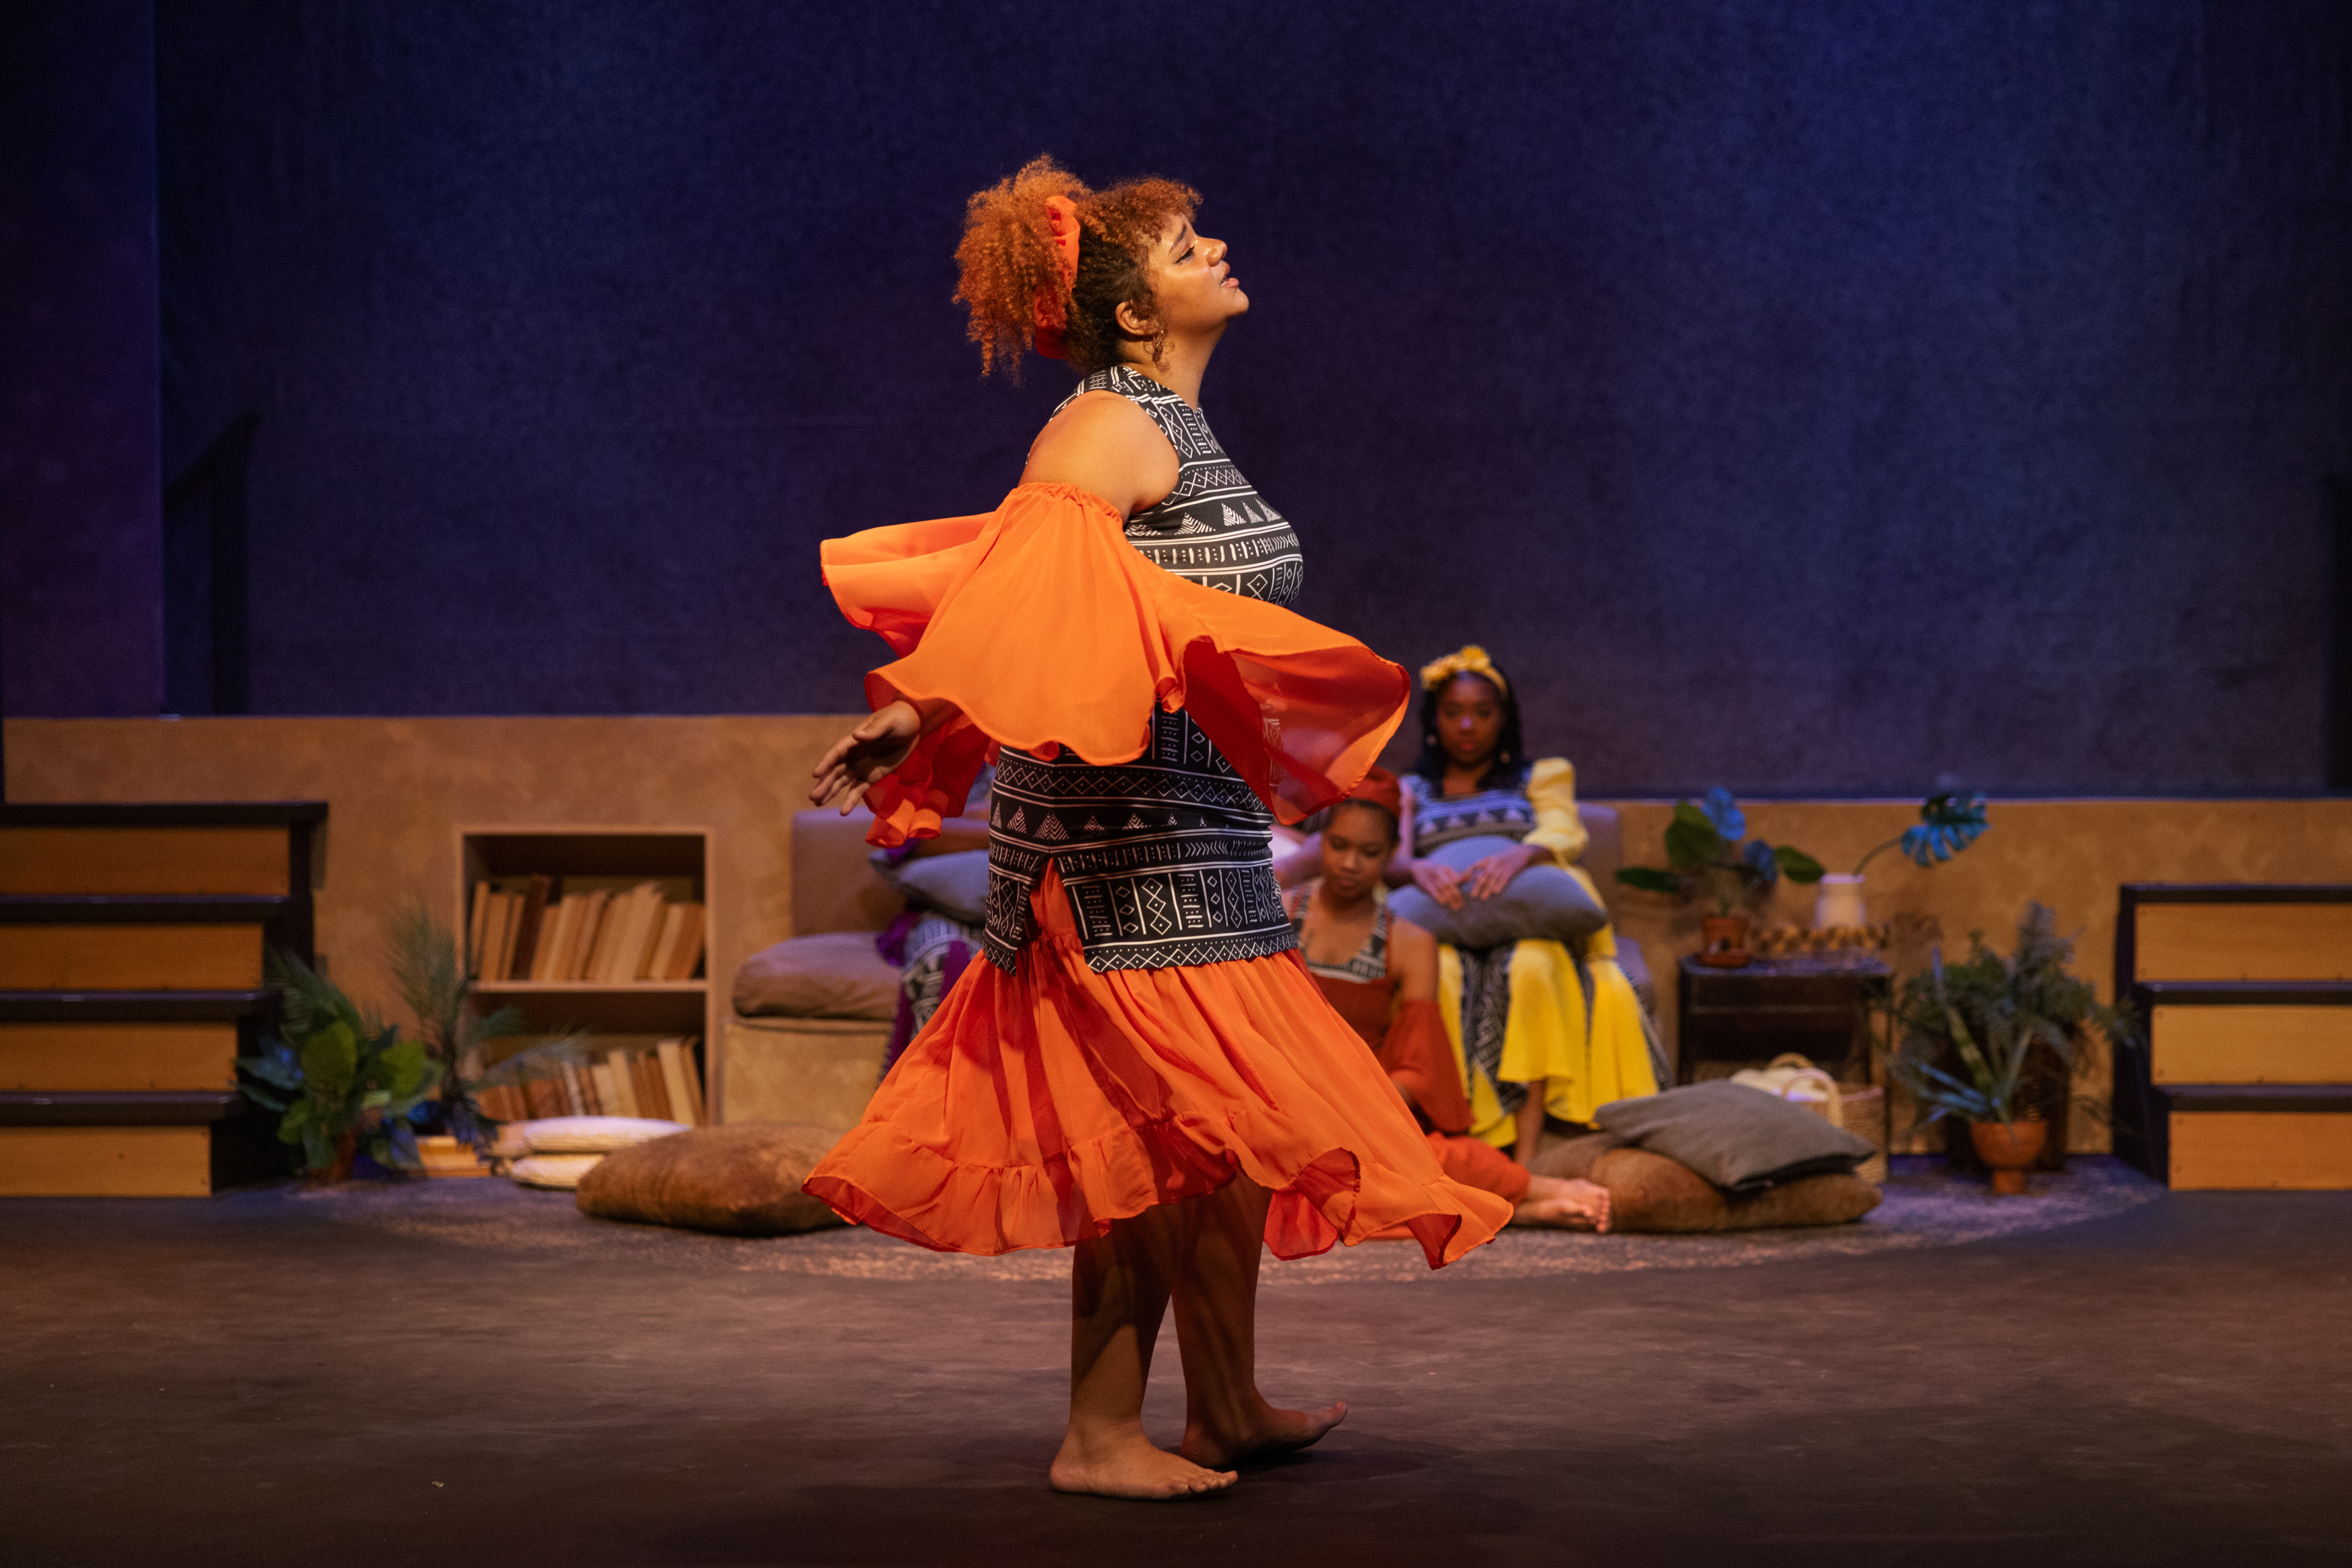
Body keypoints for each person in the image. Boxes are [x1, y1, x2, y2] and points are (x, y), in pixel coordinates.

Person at [800, 158, 1511, 1503]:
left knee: (1223, 1130)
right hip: (1113, 852)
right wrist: (924, 711)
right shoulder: (1108, 421)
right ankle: (1098, 1432)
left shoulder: (1173, 427)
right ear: (1135, 316)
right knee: (1146, 1133)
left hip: (1197, 839)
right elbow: (1020, 568)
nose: (1219, 248)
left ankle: (1227, 1405)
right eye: (1190, 247)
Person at [1293, 646, 1667, 1161]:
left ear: (1504, 719)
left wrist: (1522, 857)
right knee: (1440, 973)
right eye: (1453, 713)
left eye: (1483, 713)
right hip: (1444, 927)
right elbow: (1391, 854)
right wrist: (1415, 868)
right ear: (1434, 721)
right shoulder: (1412, 789)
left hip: (1525, 925)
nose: (1467, 725)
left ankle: (1527, 1155)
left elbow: (1565, 830)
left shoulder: (1541, 777)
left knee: (1534, 970)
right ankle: (1459, 1134)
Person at [1282, 769, 1612, 1229]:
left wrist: (1360, 1105)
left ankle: (1526, 1196)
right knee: (1303, 1184)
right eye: (1339, 846)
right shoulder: (1280, 914)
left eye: (1370, 852)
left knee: (1426, 1159)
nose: (1350, 864)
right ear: (1323, 843)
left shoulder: (1409, 940)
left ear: (1394, 855)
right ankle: (1517, 1211)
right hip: (1282, 1101)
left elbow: (1420, 1066)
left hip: (1366, 1108)